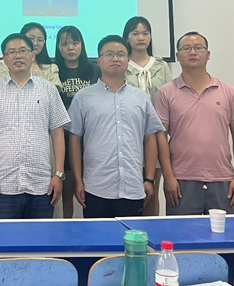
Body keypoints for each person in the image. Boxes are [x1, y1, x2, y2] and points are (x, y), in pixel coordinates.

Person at [67, 35, 164, 219]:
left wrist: (149, 179)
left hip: (133, 187)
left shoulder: (140, 97)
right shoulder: (83, 97)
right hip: (96, 187)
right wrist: (78, 181)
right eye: (109, 54)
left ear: (128, 60)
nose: (115, 58)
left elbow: (150, 138)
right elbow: (74, 141)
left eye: (120, 54)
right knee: (97, 237)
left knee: (131, 237)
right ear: (99, 60)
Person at [0, 33, 69, 219]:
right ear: (4, 58)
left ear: (32, 55)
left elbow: (58, 133)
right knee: (3, 237)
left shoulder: (48, 89)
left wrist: (58, 174)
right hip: (2, 185)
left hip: (42, 185)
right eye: (11, 52)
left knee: (40, 237)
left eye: (23, 51)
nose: (17, 56)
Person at [155, 31, 234, 215]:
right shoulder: (166, 93)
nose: (193, 52)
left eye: (198, 48)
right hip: (181, 181)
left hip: (223, 180)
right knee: (182, 233)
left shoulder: (227, 91)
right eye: (186, 48)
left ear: (208, 54)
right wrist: (168, 176)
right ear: (177, 56)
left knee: (224, 233)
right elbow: (160, 137)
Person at [122, 16, 172, 216]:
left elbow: (169, 100)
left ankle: (151, 230)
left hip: (157, 136)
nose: (140, 38)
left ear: (150, 37)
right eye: (135, 33)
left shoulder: (161, 66)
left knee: (152, 190)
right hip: (129, 135)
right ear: (127, 38)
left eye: (145, 33)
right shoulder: (122, 65)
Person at [54, 25, 101, 218]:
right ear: (58, 47)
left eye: (75, 42)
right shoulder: (54, 72)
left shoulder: (95, 71)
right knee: (67, 193)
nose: (70, 48)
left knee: (91, 193)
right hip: (64, 139)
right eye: (65, 44)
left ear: (82, 44)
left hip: (92, 138)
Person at [0, 22, 61, 88]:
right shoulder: (5, 65)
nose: (35, 43)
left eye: (40, 40)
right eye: (31, 38)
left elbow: (52, 92)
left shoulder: (51, 69)